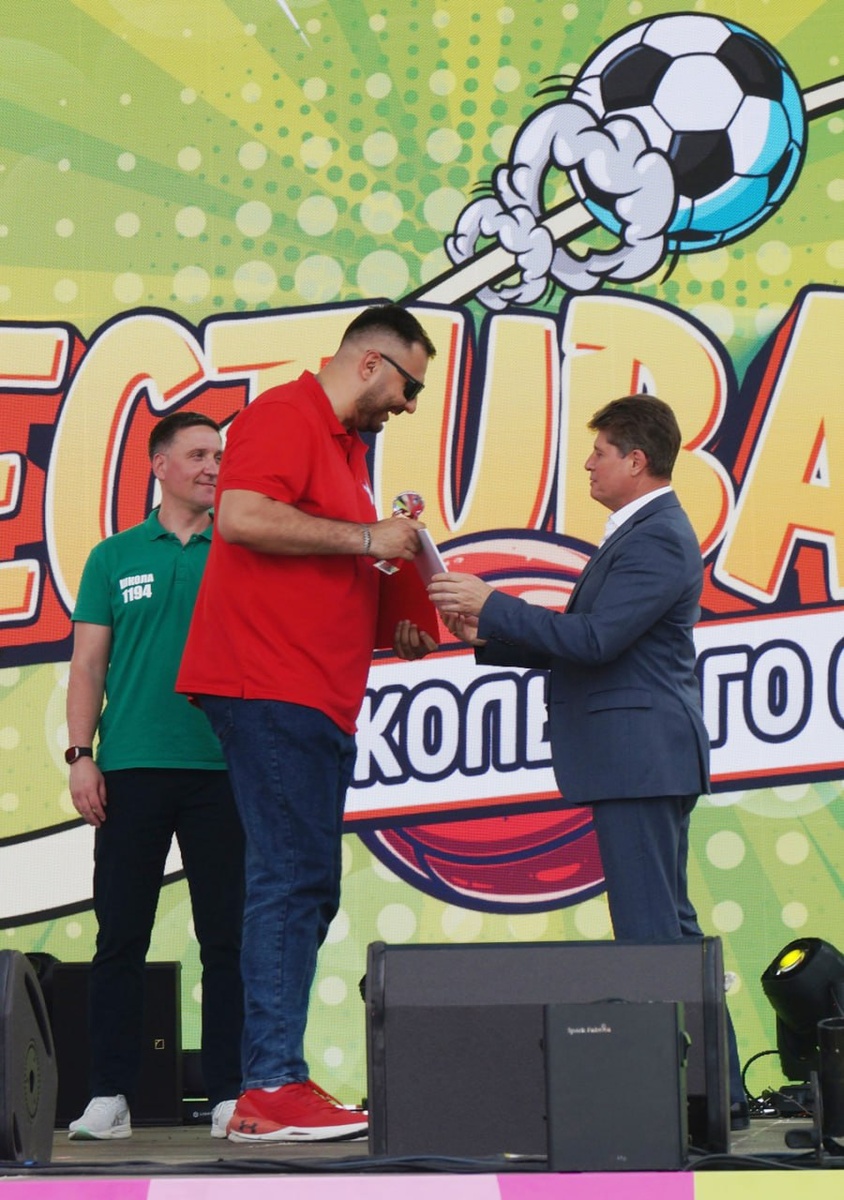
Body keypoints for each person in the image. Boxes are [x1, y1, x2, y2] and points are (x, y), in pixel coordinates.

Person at [428, 393, 748, 1127]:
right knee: (667, 931)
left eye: (600, 453)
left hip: (641, 759)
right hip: (639, 759)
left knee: (650, 935)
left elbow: (597, 641)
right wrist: (487, 633)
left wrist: (494, 601)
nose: (587, 465)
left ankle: (689, 1100)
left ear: (636, 460)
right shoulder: (641, 532)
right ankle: (714, 1093)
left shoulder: (657, 537)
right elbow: (586, 639)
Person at [176, 303, 439, 1143]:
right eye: (409, 385)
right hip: (272, 685)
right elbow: (243, 517)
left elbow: (317, 565)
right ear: (370, 363)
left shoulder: (346, 449)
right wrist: (368, 537)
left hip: (311, 691)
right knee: (291, 880)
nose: (409, 405)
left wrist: (393, 620)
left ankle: (273, 1078)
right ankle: (270, 1086)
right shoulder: (286, 414)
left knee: (304, 883)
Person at [66, 412, 244, 1141]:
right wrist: (80, 755)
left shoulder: (241, 546)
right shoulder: (113, 556)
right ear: (159, 465)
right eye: (198, 454)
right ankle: (109, 1095)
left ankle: (232, 1092)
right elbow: (88, 665)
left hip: (223, 768)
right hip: (131, 767)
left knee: (228, 939)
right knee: (120, 938)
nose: (213, 466)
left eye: (219, 455)